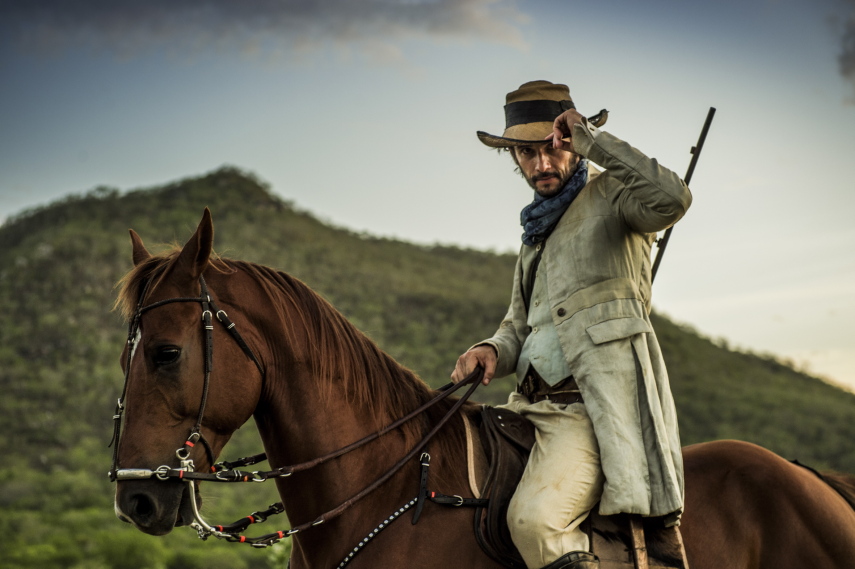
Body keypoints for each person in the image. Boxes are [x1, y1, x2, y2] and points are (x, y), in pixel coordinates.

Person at [451, 80, 691, 569]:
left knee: (535, 522)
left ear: (571, 142)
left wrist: (592, 140)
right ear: (513, 156)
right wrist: (492, 349)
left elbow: (674, 200)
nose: (541, 164)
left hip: (589, 411)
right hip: (525, 406)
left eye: (552, 149)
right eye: (526, 153)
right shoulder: (534, 231)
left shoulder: (615, 194)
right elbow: (520, 325)